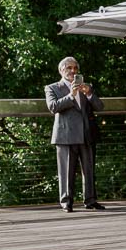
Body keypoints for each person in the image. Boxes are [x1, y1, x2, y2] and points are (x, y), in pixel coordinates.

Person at [45, 56, 105, 212]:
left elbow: (100, 106)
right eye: (69, 68)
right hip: (65, 136)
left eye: (75, 68)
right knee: (66, 172)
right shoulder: (52, 88)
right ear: (61, 70)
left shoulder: (86, 87)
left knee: (89, 170)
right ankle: (66, 202)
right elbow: (53, 107)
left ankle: (91, 200)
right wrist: (71, 95)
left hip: (86, 135)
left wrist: (90, 93)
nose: (72, 71)